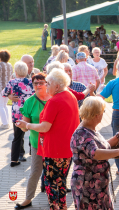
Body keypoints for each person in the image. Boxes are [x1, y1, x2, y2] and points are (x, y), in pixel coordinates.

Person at [15, 68, 80, 209]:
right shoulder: (70, 96)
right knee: (61, 182)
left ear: (57, 85)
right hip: (66, 148)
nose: (45, 86)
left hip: (54, 149)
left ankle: (55, 207)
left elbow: (44, 127)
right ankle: (61, 206)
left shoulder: (54, 100)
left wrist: (27, 125)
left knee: (51, 183)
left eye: (47, 83)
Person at [70, 97, 119, 210]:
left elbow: (102, 146)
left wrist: (118, 136)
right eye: (103, 112)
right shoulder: (82, 133)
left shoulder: (90, 129)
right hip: (88, 185)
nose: (103, 115)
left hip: (97, 184)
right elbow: (96, 153)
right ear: (97, 115)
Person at [14, 73, 51, 210]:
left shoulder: (53, 99)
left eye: (41, 82)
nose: (39, 85)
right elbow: (25, 125)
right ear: (32, 84)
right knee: (35, 171)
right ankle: (28, 199)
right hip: (37, 143)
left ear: (47, 83)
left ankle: (53, 198)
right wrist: (22, 126)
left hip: (54, 143)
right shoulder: (30, 102)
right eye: (36, 83)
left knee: (52, 172)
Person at [2, 61, 34, 167]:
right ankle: (33, 155)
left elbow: (4, 93)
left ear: (15, 72)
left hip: (17, 114)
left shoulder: (12, 82)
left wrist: (10, 96)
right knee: (33, 134)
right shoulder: (31, 82)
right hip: (30, 112)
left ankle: (14, 160)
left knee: (17, 138)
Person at [0, 49, 13, 129]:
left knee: (1, 105)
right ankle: (6, 122)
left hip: (1, 87)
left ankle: (5, 123)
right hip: (8, 88)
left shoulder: (0, 65)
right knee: (4, 105)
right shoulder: (10, 65)